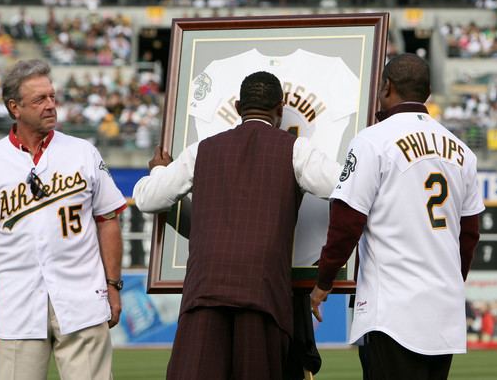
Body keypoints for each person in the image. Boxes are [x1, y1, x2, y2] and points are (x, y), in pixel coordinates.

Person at [133, 71, 341, 379]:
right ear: (280, 110)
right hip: (263, 289)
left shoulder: (201, 150)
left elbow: (146, 199)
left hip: (206, 284)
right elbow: (345, 186)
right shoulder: (295, 149)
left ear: (238, 106)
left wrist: (160, 171)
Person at [310, 53, 485, 380]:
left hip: (393, 311)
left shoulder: (371, 141)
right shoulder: (463, 151)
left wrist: (323, 282)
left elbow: (346, 222)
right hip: (443, 313)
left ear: (387, 87)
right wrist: (447, 283)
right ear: (428, 92)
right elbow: (470, 234)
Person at [0, 59, 127, 380]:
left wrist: (113, 284)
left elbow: (108, 219)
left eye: (52, 97)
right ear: (14, 108)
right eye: (39, 100)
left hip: (82, 298)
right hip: (17, 303)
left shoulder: (83, 152)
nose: (50, 106)